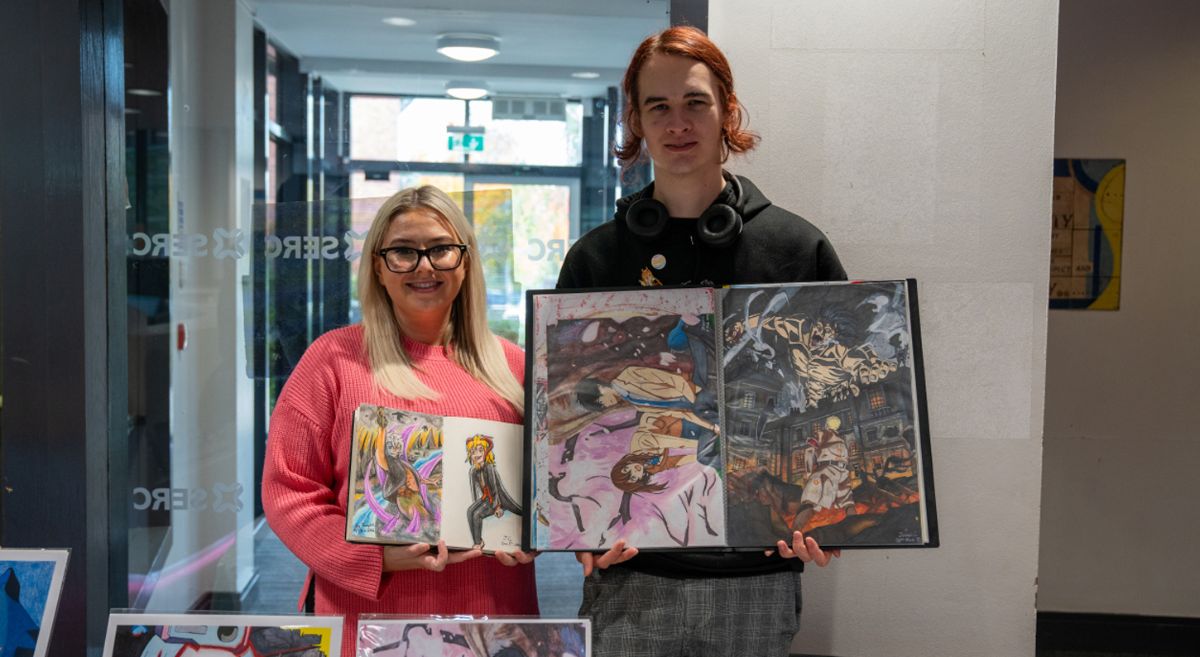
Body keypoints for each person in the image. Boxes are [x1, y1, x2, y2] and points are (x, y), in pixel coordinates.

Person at [556, 26, 844, 656]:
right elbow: (571, 412)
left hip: (757, 573)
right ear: (636, 119)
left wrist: (831, 511)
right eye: (657, 106)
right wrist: (571, 522)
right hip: (630, 572)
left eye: (695, 102)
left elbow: (837, 404)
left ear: (727, 111)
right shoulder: (596, 260)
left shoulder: (797, 250)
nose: (677, 122)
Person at [262, 185, 536, 656]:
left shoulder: (516, 367)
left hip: (492, 616)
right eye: (404, 252)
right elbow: (290, 491)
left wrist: (536, 535)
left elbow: (544, 492)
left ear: (465, 262)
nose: (424, 266)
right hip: (368, 621)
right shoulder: (333, 360)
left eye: (441, 249)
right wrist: (370, 558)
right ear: (377, 267)